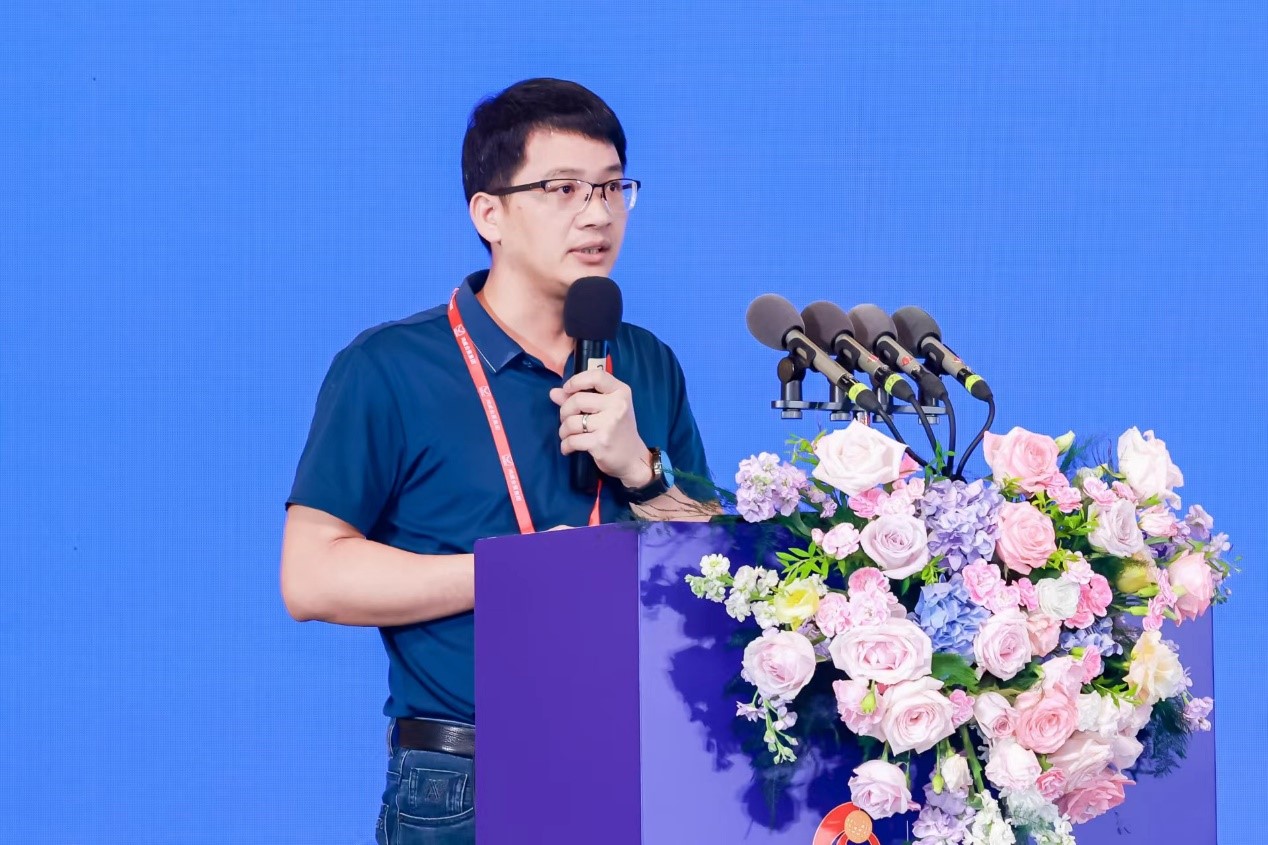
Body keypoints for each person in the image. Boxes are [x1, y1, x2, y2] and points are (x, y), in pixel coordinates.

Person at [279, 78, 715, 845]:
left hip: (633, 759)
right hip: (464, 776)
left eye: (613, 187)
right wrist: (517, 574)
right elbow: (311, 576)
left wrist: (643, 469)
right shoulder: (390, 369)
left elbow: (712, 570)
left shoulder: (647, 362)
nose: (597, 214)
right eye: (563, 188)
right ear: (489, 213)